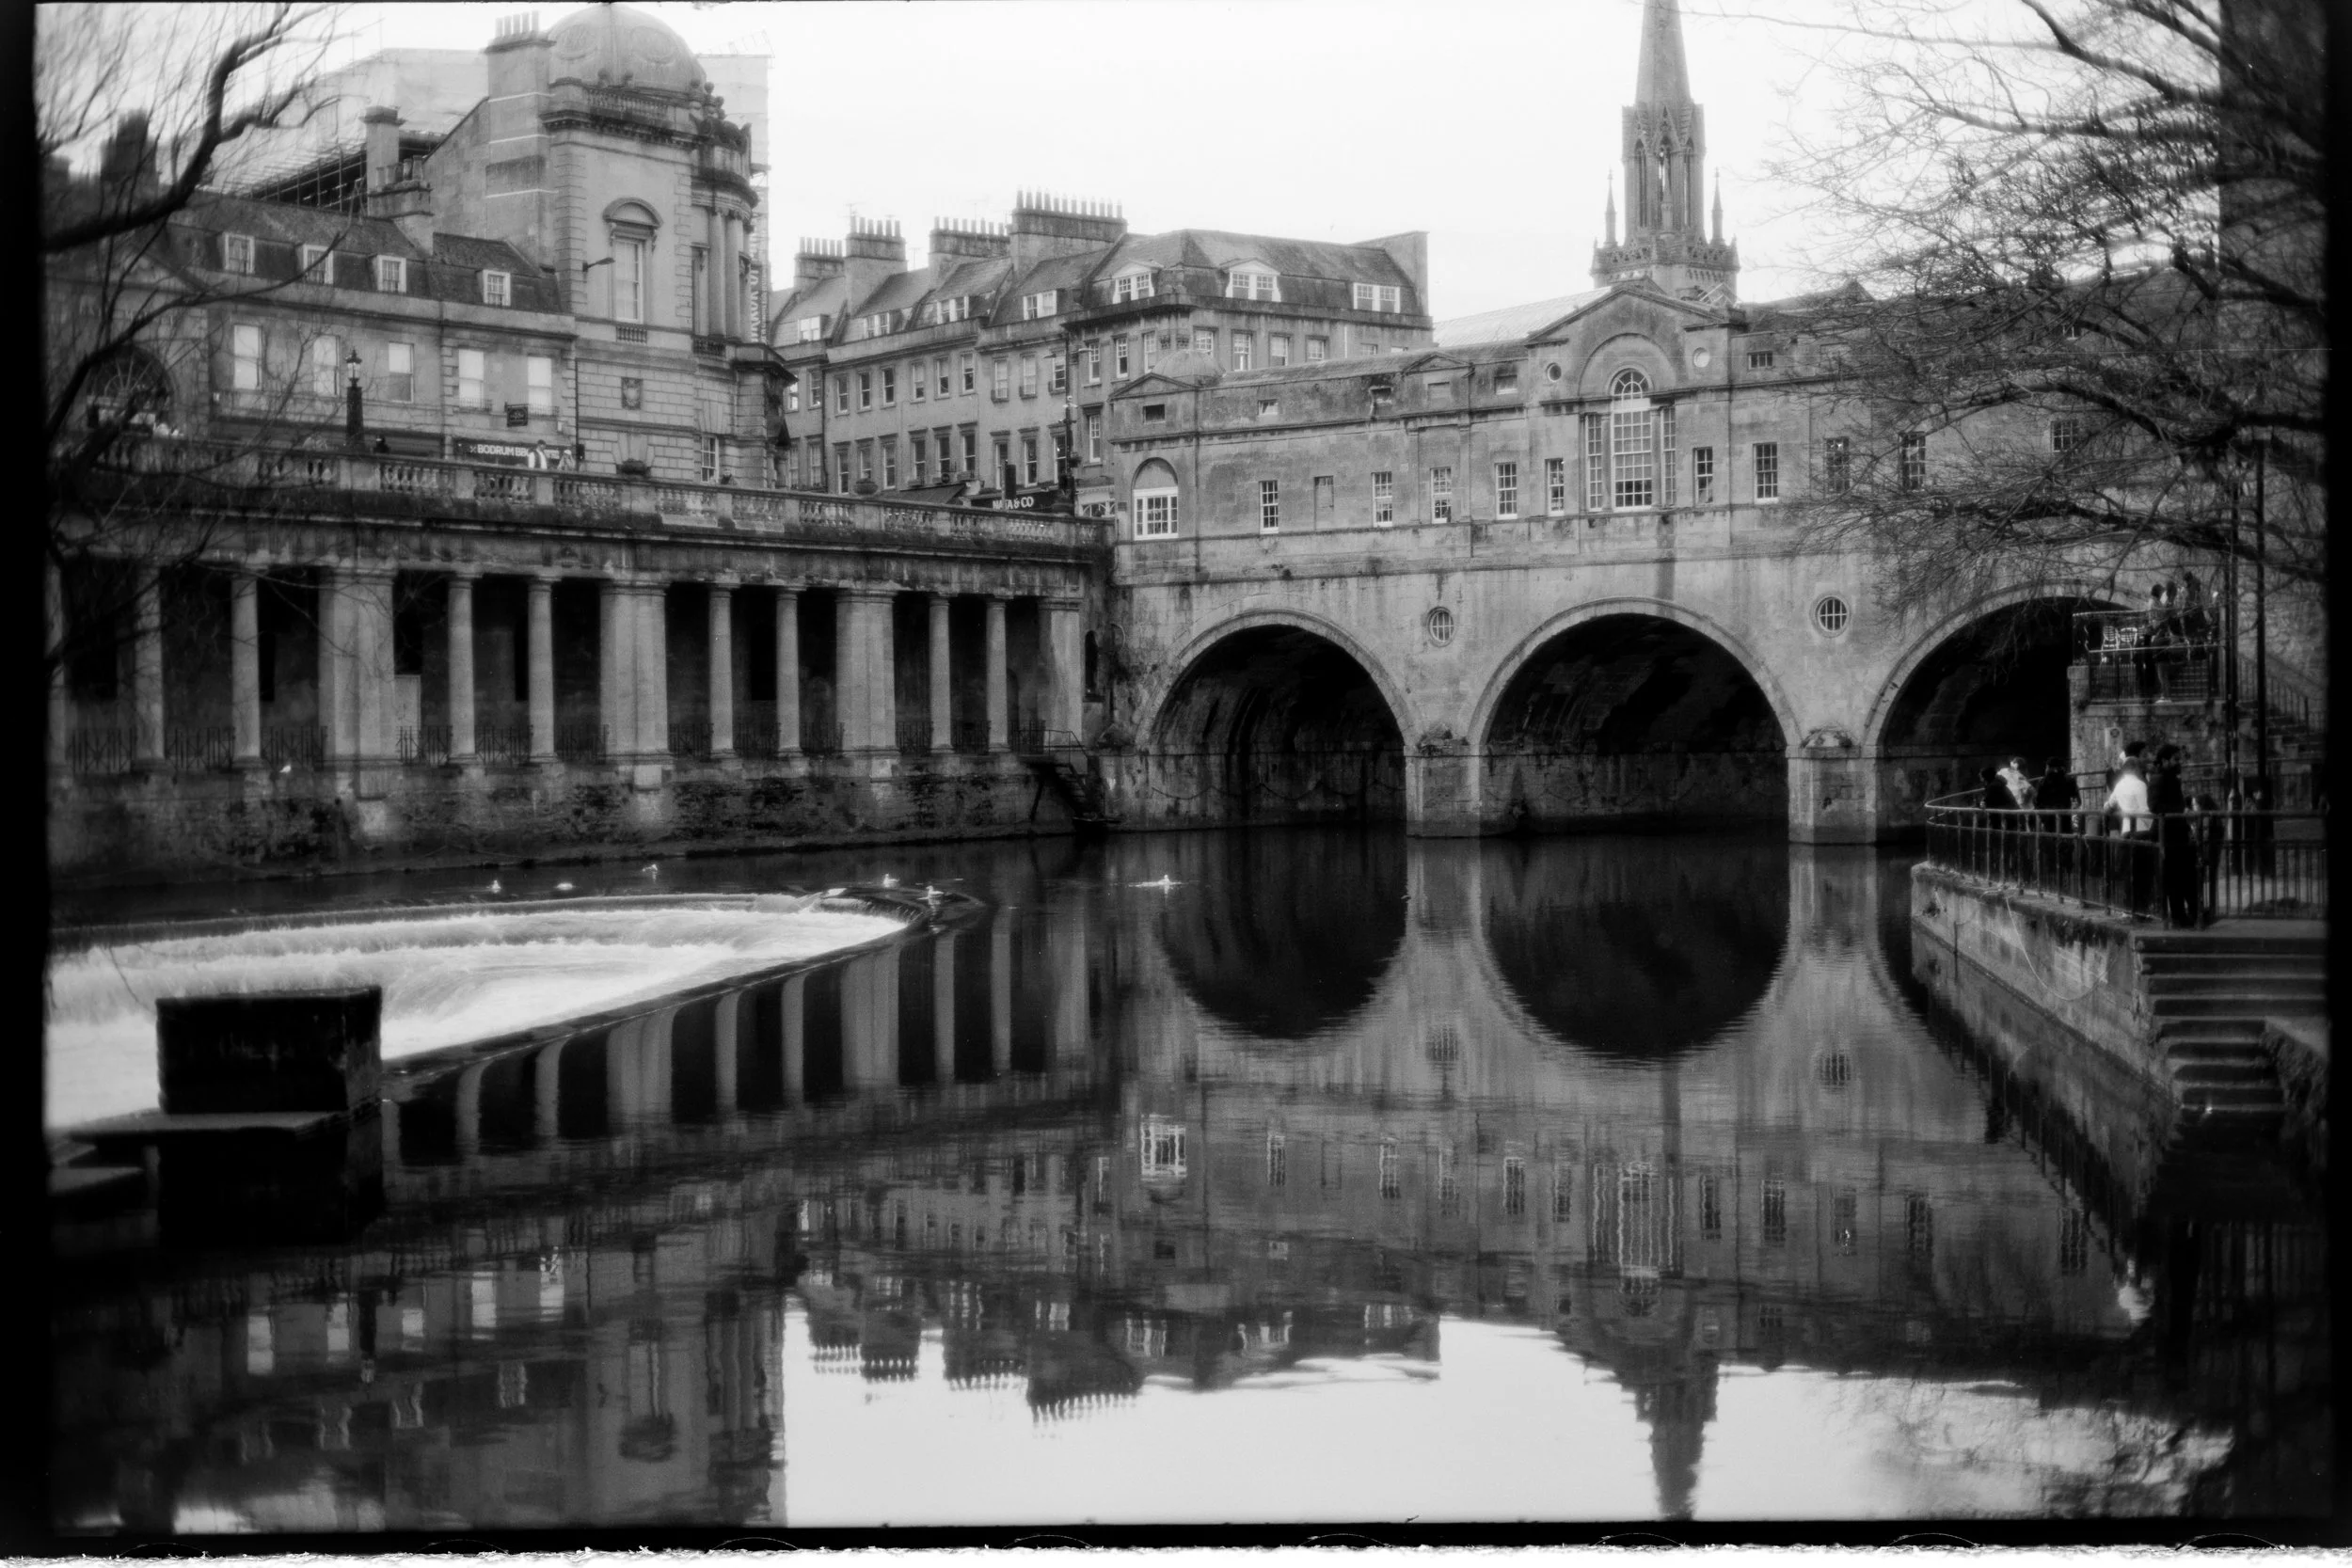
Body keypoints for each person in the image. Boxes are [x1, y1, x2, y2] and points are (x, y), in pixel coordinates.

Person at [2151, 743, 2199, 927]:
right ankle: (2179, 916)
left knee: (2187, 875)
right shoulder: (2159, 779)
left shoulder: (2171, 778)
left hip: (2178, 833)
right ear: (2165, 760)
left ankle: (2193, 912)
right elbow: (2155, 807)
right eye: (2175, 759)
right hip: (2168, 835)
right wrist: (2181, 810)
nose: (2179, 762)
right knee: (2175, 879)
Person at [2105, 752, 2154, 917]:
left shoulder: (2119, 786)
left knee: (2128, 872)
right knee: (2143, 873)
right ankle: (2143, 909)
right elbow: (2146, 808)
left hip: (2127, 832)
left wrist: (2109, 809)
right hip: (2143, 831)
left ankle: (2129, 909)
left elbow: (2109, 805)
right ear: (2135, 768)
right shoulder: (2142, 785)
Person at [2033, 754, 2080, 887]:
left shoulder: (2043, 782)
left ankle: (2053, 882)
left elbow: (2037, 802)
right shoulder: (2069, 780)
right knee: (2065, 845)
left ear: (2048, 767)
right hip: (2065, 818)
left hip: (2049, 820)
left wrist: (2043, 818)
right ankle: (2068, 876)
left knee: (2050, 848)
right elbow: (2077, 800)